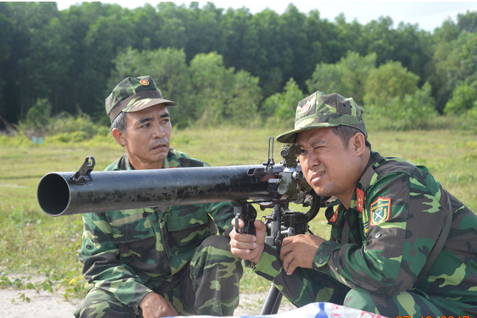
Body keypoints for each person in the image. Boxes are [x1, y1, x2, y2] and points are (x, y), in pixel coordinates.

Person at [230, 91, 477, 317]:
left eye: (318, 146)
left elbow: (386, 276)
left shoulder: (398, 184)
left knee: (365, 304)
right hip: (434, 303)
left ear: (357, 144)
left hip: (465, 307)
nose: (309, 162)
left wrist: (320, 253)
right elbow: (337, 297)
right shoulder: (350, 204)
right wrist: (261, 254)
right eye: (302, 151)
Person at [75, 75, 243, 318]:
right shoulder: (104, 189)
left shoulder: (196, 174)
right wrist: (143, 297)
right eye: (145, 125)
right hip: (136, 294)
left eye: (164, 121)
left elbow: (231, 222)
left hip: (190, 289)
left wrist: (243, 230)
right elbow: (98, 263)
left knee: (220, 249)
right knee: (95, 308)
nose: (160, 133)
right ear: (120, 136)